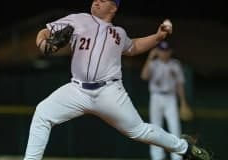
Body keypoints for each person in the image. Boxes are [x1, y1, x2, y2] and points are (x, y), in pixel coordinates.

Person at [23, 0, 211, 160]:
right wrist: (42, 43)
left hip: (109, 92)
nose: (96, 1)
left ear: (113, 8)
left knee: (139, 131)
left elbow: (135, 46)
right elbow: (45, 31)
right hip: (77, 90)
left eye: (103, 0)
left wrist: (158, 36)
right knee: (42, 114)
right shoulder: (78, 19)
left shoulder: (119, 33)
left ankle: (184, 148)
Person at [140, 41, 194, 160]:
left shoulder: (175, 64)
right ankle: (157, 157)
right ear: (157, 51)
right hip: (156, 97)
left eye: (166, 50)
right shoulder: (153, 63)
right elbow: (144, 76)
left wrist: (183, 102)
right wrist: (150, 57)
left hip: (170, 98)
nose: (164, 53)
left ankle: (177, 157)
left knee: (175, 128)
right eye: (161, 50)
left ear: (170, 51)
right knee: (155, 128)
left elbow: (180, 84)